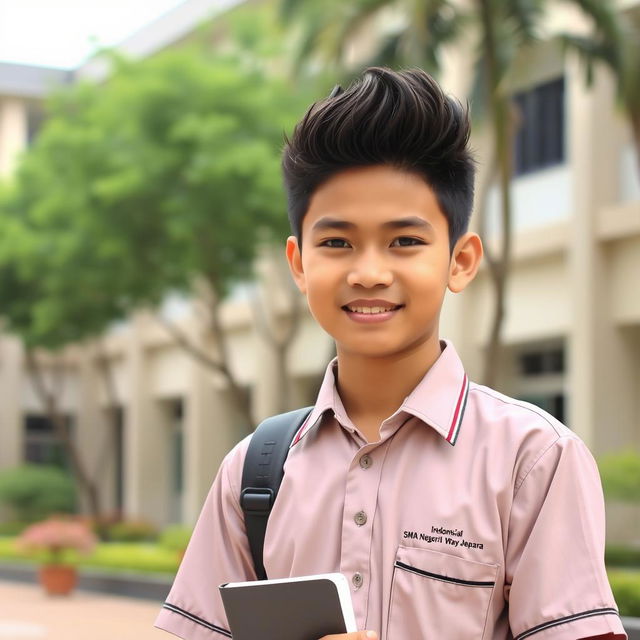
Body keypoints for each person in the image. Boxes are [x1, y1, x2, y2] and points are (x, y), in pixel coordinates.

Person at [154, 67, 626, 640]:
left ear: (460, 260)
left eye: (405, 241)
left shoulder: (533, 459)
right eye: (336, 242)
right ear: (299, 263)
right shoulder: (255, 471)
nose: (369, 272)